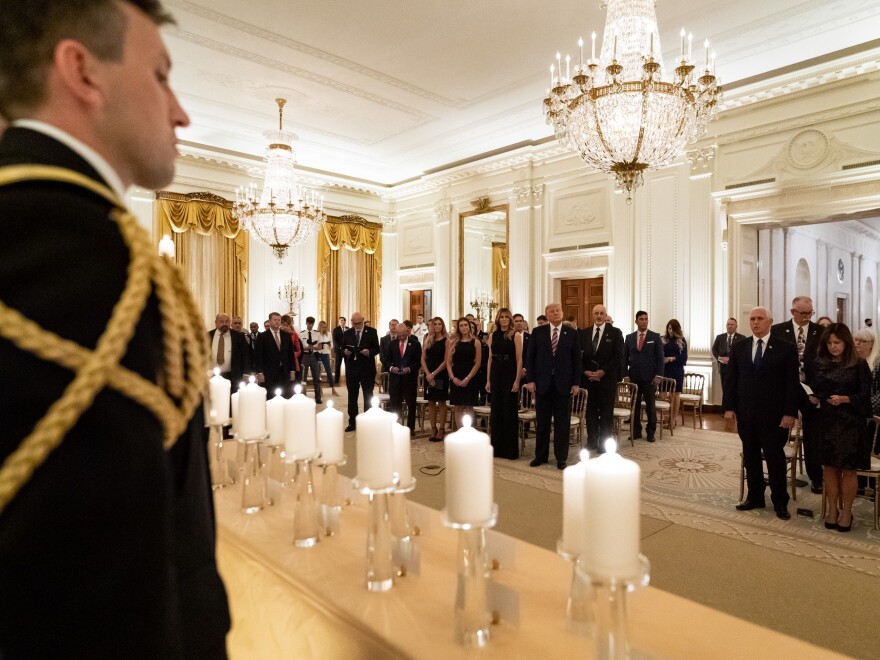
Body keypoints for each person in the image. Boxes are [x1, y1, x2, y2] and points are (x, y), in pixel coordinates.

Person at [0, 1, 230, 656]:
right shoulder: (84, 262)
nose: (179, 110)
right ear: (81, 71)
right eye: (160, 74)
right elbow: (93, 603)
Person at [724, 307, 800, 520]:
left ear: (770, 322)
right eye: (752, 319)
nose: (755, 322)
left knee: (775, 460)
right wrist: (729, 408)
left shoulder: (786, 348)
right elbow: (731, 380)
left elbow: (791, 384)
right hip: (746, 414)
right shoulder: (740, 347)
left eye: (760, 319)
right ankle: (755, 496)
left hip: (775, 416)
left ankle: (780, 502)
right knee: (751, 457)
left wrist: (789, 413)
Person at [806, 324, 871, 532]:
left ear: (846, 343)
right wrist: (813, 396)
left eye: (837, 342)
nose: (833, 347)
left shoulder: (859, 365)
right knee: (829, 469)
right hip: (826, 422)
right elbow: (816, 389)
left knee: (849, 471)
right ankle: (832, 510)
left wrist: (845, 399)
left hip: (850, 424)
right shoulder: (820, 364)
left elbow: (866, 398)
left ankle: (846, 512)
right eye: (830, 343)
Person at [771, 296, 823, 493]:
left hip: (812, 392)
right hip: (786, 390)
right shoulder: (778, 331)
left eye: (810, 313)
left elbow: (824, 363)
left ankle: (816, 477)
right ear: (793, 312)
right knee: (780, 433)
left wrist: (818, 392)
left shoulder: (820, 332)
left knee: (813, 437)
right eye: (803, 313)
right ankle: (779, 477)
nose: (807, 317)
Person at [524, 303, 582, 469]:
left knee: (562, 424)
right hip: (542, 384)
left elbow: (577, 360)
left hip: (564, 385)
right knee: (542, 423)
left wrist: (576, 383)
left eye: (558, 310)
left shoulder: (572, 333)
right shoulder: (537, 332)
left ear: (562, 313)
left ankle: (561, 458)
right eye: (552, 311)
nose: (555, 313)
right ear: (546, 314)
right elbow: (531, 358)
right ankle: (540, 456)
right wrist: (530, 380)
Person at [581, 304, 623, 451]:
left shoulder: (615, 333)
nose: (599, 316)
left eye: (601, 313)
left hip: (606, 381)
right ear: (592, 315)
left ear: (606, 316)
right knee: (590, 413)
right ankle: (592, 441)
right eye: (596, 313)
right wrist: (585, 371)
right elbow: (578, 357)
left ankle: (604, 444)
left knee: (606, 414)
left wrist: (603, 371)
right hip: (588, 381)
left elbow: (618, 357)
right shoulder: (584, 333)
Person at [486, 308, 523, 459]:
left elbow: (519, 359)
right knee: (496, 411)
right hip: (496, 372)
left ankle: (510, 450)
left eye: (506, 317)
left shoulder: (516, 335)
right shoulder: (492, 335)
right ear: (498, 319)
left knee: (509, 411)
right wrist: (488, 380)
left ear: (510, 319)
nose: (504, 319)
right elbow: (489, 359)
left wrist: (517, 380)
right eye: (501, 317)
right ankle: (497, 449)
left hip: (509, 372)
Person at [623, 311, 665, 442]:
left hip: (650, 378)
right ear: (636, 321)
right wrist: (625, 375)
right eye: (641, 319)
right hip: (634, 378)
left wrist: (658, 375)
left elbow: (660, 358)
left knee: (650, 407)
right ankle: (636, 431)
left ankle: (651, 432)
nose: (644, 321)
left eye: (646, 319)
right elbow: (624, 358)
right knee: (634, 406)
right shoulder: (629, 338)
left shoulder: (655, 336)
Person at [341, 312, 380, 431]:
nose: (357, 325)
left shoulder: (372, 331)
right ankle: (353, 422)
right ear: (351, 322)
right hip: (352, 369)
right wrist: (345, 352)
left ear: (363, 320)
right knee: (352, 397)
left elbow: (377, 348)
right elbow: (342, 348)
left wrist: (369, 352)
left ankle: (367, 422)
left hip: (367, 369)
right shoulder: (348, 333)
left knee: (368, 395)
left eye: (359, 323)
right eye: (354, 323)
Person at [447, 317, 482, 428]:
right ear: (458, 328)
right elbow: (448, 363)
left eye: (465, 325)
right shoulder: (453, 342)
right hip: (456, 376)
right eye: (461, 325)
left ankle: (469, 432)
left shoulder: (476, 342)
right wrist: (453, 378)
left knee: (469, 406)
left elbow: (478, 363)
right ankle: (459, 432)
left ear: (469, 326)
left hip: (471, 377)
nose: (464, 327)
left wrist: (468, 378)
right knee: (457, 406)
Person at [388, 320, 422, 433]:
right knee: (394, 405)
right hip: (395, 379)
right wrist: (391, 368)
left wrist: (410, 369)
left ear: (407, 332)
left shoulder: (415, 344)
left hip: (409, 379)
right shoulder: (392, 344)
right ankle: (395, 426)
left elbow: (419, 361)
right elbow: (386, 360)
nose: (402, 337)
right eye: (399, 335)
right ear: (396, 333)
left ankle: (410, 429)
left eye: (404, 335)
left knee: (411, 405)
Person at [255, 312, 296, 399]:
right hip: (268, 372)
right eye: (275, 320)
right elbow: (258, 356)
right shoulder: (262, 336)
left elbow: (290, 355)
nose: (277, 322)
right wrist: (260, 372)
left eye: (279, 320)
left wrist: (292, 370)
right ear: (270, 321)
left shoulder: (287, 336)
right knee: (271, 395)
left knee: (284, 394)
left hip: (284, 371)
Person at [421, 317, 450, 442]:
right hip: (428, 375)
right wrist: (428, 373)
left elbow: (446, 360)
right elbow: (422, 358)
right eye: (435, 324)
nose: (437, 326)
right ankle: (433, 428)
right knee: (431, 401)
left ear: (442, 326)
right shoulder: (427, 339)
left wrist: (434, 373)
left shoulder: (447, 340)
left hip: (441, 374)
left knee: (441, 402)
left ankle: (442, 429)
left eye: (440, 324)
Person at [209, 312, 250, 392]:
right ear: (216, 323)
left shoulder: (239, 336)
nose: (224, 324)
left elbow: (246, 356)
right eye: (221, 321)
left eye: (227, 321)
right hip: (212, 376)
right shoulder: (208, 336)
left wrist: (246, 374)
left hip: (232, 376)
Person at [661, 319, 688, 429]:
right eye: (669, 328)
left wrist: (672, 358)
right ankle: (665, 417)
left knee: (675, 395)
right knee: (663, 393)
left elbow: (684, 358)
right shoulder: (662, 340)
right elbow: (658, 353)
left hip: (677, 370)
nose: (670, 330)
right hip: (664, 370)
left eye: (672, 328)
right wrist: (662, 359)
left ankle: (672, 420)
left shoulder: (682, 341)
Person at [712, 318, 745, 399]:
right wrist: (719, 358)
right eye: (728, 324)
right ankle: (725, 409)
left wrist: (732, 360)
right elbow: (714, 349)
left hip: (736, 369)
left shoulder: (742, 338)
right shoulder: (720, 337)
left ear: (736, 326)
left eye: (732, 324)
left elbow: (743, 352)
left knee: (734, 390)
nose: (729, 326)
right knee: (725, 390)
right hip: (723, 369)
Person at [298, 316, 323, 404]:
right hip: (304, 356)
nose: (310, 326)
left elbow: (320, 347)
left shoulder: (317, 333)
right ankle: (303, 396)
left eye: (312, 324)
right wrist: (307, 347)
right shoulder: (301, 334)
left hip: (313, 356)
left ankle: (318, 397)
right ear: (306, 323)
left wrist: (312, 347)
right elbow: (299, 348)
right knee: (303, 377)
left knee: (316, 377)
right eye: (309, 324)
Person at [315, 320, 339, 396]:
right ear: (320, 327)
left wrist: (329, 345)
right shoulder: (316, 334)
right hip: (318, 354)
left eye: (325, 327)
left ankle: (333, 389)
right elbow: (315, 346)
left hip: (325, 354)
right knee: (318, 372)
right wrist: (319, 345)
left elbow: (332, 345)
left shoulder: (329, 334)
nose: (324, 328)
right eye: (322, 327)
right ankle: (320, 389)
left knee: (329, 371)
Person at [279, 314, 303, 384]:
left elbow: (299, 350)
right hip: (280, 360)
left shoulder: (294, 334)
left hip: (292, 359)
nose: (285, 326)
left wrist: (293, 355)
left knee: (293, 382)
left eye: (286, 324)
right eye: (283, 324)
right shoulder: (277, 333)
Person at [332, 316, 348, 385]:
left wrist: (347, 348)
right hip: (338, 351)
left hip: (347, 351)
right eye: (340, 321)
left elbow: (350, 339)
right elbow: (335, 340)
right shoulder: (336, 329)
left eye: (342, 320)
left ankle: (348, 380)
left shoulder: (348, 329)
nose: (341, 322)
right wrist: (340, 348)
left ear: (345, 321)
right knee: (337, 366)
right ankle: (336, 381)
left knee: (348, 366)